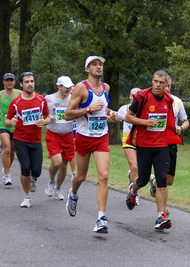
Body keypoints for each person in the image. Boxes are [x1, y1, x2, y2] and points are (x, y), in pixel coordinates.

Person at [64, 56, 118, 234]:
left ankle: (101, 219)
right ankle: (73, 195)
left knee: (103, 176)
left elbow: (103, 110)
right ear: (87, 69)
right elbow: (67, 114)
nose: (98, 67)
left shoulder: (106, 87)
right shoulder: (81, 88)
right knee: (80, 176)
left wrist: (109, 115)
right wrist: (88, 109)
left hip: (101, 137)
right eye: (94, 64)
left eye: (100, 64)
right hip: (83, 137)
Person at [124, 70, 183, 230]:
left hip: (162, 146)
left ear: (166, 85)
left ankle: (160, 216)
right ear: (152, 82)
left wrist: (176, 129)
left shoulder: (168, 100)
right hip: (144, 146)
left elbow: (169, 121)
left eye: (161, 82)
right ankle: (133, 191)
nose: (157, 85)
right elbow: (128, 117)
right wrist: (145, 122)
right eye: (155, 81)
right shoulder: (142, 97)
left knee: (162, 181)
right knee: (142, 180)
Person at [5, 72, 51, 208]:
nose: (30, 84)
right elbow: (7, 120)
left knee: (36, 170)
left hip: (36, 140)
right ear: (21, 84)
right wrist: (11, 122)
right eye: (26, 82)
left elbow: (48, 117)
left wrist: (44, 121)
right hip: (20, 139)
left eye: (32, 81)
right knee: (25, 167)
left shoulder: (41, 100)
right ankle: (27, 197)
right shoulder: (16, 102)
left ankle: (33, 178)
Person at [149, 74, 189, 197]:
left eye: (168, 86)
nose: (166, 88)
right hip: (154, 141)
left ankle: (154, 182)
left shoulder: (176, 101)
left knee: (169, 181)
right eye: (164, 85)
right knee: (161, 177)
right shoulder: (150, 99)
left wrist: (181, 128)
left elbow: (185, 121)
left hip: (171, 142)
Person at [44, 76, 75, 201]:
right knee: (56, 162)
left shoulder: (73, 99)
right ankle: (51, 181)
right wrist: (47, 118)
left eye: (70, 87)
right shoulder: (49, 99)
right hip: (53, 134)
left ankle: (58, 187)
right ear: (59, 86)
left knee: (63, 166)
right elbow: (43, 113)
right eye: (66, 87)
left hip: (67, 135)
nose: (68, 90)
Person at [0, 73, 23, 185]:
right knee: (7, 149)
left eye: (11, 80)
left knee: (12, 151)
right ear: (3, 82)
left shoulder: (19, 93)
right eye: (7, 80)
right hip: (3, 124)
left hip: (16, 124)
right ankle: (7, 175)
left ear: (14, 82)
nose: (9, 82)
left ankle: (6, 169)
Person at [117, 87, 141, 205]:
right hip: (128, 140)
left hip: (142, 140)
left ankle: (132, 177)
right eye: (132, 95)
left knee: (141, 170)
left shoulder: (145, 109)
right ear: (129, 97)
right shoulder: (124, 109)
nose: (134, 98)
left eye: (137, 95)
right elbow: (115, 117)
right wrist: (109, 116)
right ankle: (134, 194)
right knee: (134, 166)